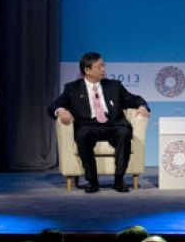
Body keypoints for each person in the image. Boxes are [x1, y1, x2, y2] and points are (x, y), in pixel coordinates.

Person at [48, 51, 150, 193]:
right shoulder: (72, 88)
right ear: (87, 70)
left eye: (103, 66)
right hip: (88, 125)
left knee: (124, 132)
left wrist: (142, 106)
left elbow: (133, 98)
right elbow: (54, 105)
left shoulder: (114, 86)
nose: (103, 69)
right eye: (99, 66)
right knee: (83, 135)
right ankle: (92, 181)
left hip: (113, 124)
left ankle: (119, 179)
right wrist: (61, 110)